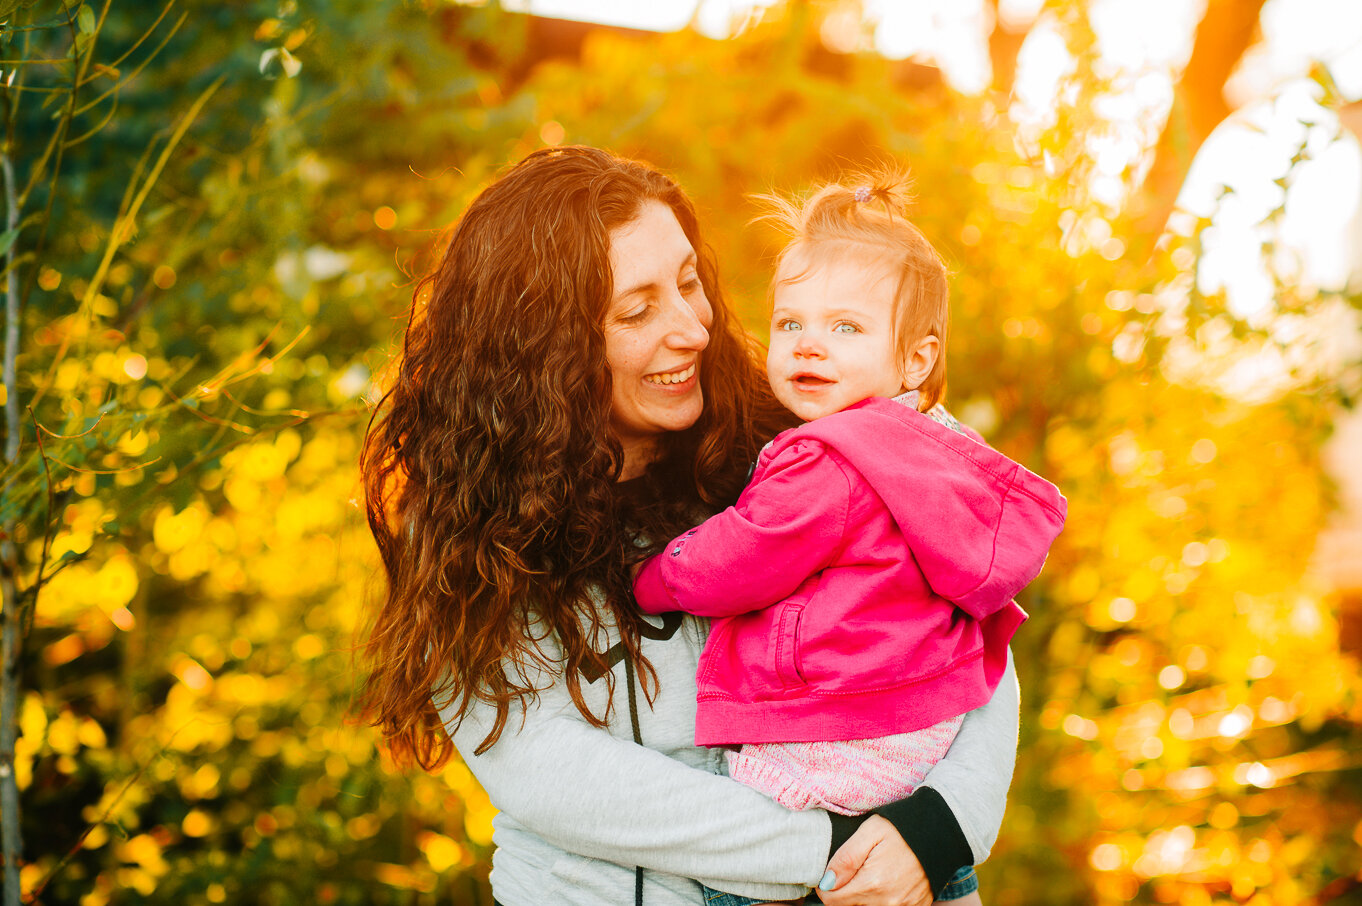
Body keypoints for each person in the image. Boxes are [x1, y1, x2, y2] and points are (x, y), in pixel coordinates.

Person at [359, 146, 1023, 906]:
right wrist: (828, 847)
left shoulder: (810, 433)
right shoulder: (470, 523)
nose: (694, 330)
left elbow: (976, 631)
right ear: (543, 348)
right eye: (638, 311)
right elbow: (542, 763)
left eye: (688, 285)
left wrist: (939, 829)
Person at [630, 174, 1067, 906]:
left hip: (823, 767)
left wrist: (651, 574)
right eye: (791, 324)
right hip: (919, 751)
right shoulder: (940, 450)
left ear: (917, 359)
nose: (809, 347)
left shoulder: (829, 456)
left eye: (845, 328)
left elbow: (742, 555)